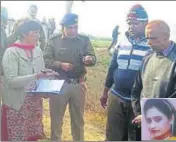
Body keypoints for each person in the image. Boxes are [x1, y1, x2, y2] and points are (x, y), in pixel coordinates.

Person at [100, 4, 151, 141]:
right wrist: (105, 92)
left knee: (135, 137)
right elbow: (112, 67)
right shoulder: (122, 40)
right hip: (117, 96)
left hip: (139, 101)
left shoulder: (152, 44)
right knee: (113, 136)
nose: (131, 26)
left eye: (135, 23)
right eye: (129, 23)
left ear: (146, 23)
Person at [1, 20, 58, 141]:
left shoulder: (37, 51)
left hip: (34, 104)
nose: (38, 35)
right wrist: (35, 76)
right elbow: (11, 81)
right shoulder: (11, 52)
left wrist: (48, 75)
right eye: (35, 32)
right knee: (16, 137)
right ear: (23, 34)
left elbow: (40, 73)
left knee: (31, 137)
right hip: (17, 105)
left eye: (39, 32)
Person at [43, 13, 96, 141]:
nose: (73, 31)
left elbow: (93, 58)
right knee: (56, 121)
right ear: (63, 28)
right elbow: (45, 60)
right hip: (58, 84)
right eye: (70, 28)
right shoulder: (53, 40)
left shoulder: (84, 40)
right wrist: (60, 64)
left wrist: (89, 59)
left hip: (78, 85)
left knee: (78, 121)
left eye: (75, 27)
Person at [131, 20, 176, 128]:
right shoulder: (147, 57)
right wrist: (140, 114)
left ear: (166, 37)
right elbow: (136, 89)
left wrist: (150, 117)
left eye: (153, 38)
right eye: (147, 38)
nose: (149, 42)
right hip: (145, 121)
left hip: (168, 125)